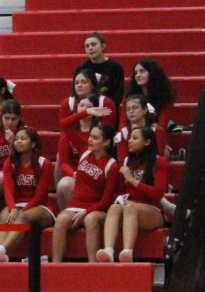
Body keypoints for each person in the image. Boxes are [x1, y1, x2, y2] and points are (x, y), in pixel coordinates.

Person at [0, 128, 55, 262]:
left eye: (23, 139)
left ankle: (1, 250)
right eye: (17, 139)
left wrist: (20, 210)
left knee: (22, 216)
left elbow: (40, 194)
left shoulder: (45, 164)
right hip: (18, 205)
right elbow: (8, 189)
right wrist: (13, 208)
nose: (18, 141)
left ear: (33, 144)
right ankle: (0, 256)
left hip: (41, 207)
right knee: (4, 214)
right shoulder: (10, 163)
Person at [99, 126, 169, 263]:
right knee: (114, 208)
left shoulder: (159, 161)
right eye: (130, 137)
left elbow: (158, 193)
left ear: (147, 142)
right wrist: (120, 198)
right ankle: (108, 250)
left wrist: (132, 180)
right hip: (130, 207)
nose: (130, 141)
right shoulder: (128, 162)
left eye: (135, 138)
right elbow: (121, 190)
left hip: (153, 210)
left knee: (131, 207)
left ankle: (127, 251)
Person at [51, 124, 119, 262]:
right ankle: (55, 265)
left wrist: (86, 211)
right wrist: (87, 112)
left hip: (96, 209)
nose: (90, 140)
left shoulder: (112, 165)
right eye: (90, 136)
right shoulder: (85, 151)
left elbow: (106, 200)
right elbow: (66, 124)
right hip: (75, 205)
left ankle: (92, 265)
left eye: (95, 138)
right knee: (61, 219)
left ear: (106, 142)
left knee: (90, 219)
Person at [56, 96, 102, 210]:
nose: (84, 108)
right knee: (63, 184)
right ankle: (66, 216)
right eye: (81, 105)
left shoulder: (98, 132)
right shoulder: (69, 133)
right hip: (75, 173)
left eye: (89, 106)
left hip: (93, 172)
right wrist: (73, 174)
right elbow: (64, 163)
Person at [73, 32, 125, 107]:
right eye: (87, 46)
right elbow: (76, 93)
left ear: (103, 46)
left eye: (93, 44)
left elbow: (118, 94)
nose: (90, 48)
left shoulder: (116, 67)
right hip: (86, 109)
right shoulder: (80, 69)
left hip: (108, 109)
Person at [125, 57, 177, 131]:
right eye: (135, 73)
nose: (138, 75)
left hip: (154, 133)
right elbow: (123, 122)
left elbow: (162, 125)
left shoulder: (165, 96)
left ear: (152, 73)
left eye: (142, 71)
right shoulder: (129, 96)